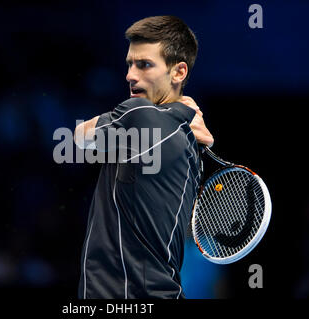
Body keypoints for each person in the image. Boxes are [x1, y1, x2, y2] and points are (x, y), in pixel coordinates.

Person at [74, 15, 214, 299]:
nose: (130, 75)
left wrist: (177, 113)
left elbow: (78, 137)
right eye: (129, 64)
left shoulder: (139, 114)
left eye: (144, 64)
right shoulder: (190, 145)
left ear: (178, 72)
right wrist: (183, 113)